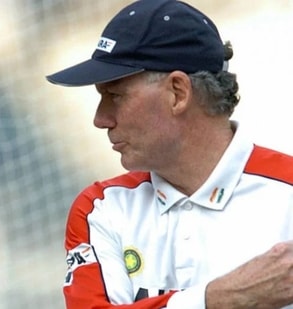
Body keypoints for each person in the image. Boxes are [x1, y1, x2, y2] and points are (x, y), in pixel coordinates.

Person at [46, 0, 293, 308]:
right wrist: (220, 299)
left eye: (114, 96)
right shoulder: (102, 209)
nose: (101, 119)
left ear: (178, 92)